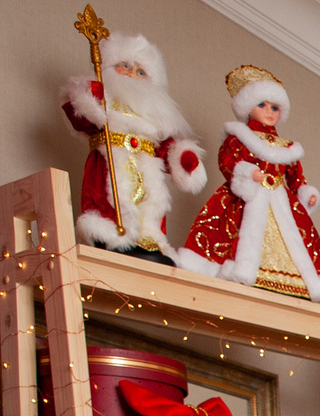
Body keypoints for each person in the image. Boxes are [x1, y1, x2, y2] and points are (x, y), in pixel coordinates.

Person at [174, 66, 320, 301]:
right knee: (241, 233)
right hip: (249, 196)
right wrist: (246, 172)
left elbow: (295, 175)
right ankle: (243, 273)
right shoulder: (239, 137)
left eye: (274, 107)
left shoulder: (287, 147)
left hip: (280, 200)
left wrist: (306, 192)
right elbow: (227, 161)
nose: (269, 112)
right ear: (247, 107)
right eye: (262, 105)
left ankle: (287, 282)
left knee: (292, 237)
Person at [59, 31, 208, 258]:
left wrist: (184, 158)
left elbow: (166, 147)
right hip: (111, 166)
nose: (131, 73)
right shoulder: (106, 103)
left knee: (149, 207)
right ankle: (109, 234)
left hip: (146, 172)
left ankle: (148, 240)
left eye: (140, 72)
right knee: (112, 200)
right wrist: (90, 97)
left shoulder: (154, 119)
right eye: (125, 66)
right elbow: (81, 118)